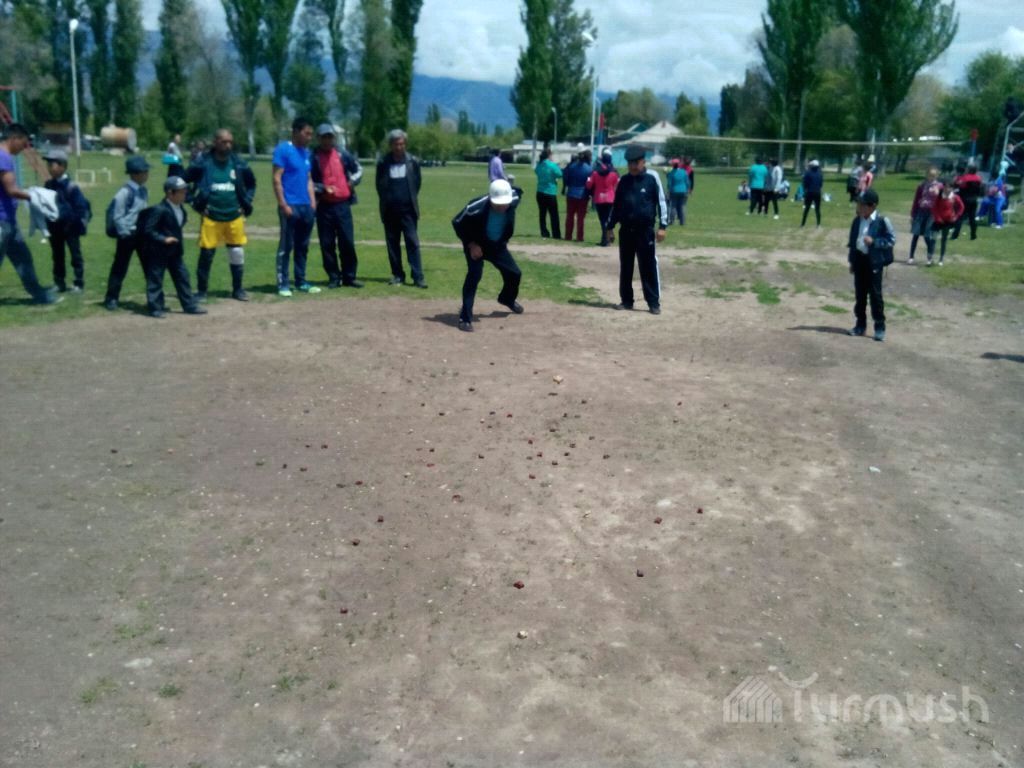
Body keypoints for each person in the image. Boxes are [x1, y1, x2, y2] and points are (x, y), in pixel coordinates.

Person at [185, 128, 256, 302]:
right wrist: (194, 203)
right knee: (207, 255)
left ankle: (238, 290)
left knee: (236, 252)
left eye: (230, 142)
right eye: (224, 142)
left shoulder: (238, 163)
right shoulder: (203, 162)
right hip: (211, 216)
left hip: (234, 216)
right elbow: (183, 182)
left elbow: (252, 184)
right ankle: (202, 291)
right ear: (215, 142)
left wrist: (245, 203)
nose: (228, 145)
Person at [451, 178, 525, 333]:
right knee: (474, 275)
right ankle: (465, 318)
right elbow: (457, 222)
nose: (502, 207)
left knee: (514, 273)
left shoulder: (514, 198)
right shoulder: (475, 207)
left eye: (505, 203)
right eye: (498, 204)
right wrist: (471, 244)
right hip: (476, 244)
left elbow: (518, 190)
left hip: (497, 245)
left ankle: (507, 299)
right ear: (490, 198)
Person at [0, 124, 60, 304]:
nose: (23, 148)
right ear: (14, 139)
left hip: (9, 220)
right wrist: (35, 196)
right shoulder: (3, 158)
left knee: (23, 258)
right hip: (2, 220)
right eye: (23, 143)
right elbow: (11, 190)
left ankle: (39, 294)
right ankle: (40, 295)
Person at [606, 145, 667, 315]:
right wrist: (610, 227)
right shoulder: (624, 181)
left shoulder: (652, 178)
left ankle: (653, 302)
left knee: (647, 266)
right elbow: (617, 206)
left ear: (643, 162)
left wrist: (663, 226)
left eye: (635, 163)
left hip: (645, 231)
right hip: (626, 230)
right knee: (626, 266)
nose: (632, 166)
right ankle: (626, 300)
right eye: (630, 163)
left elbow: (662, 202)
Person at [140, 176, 206, 317]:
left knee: (183, 277)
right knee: (156, 279)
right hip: (158, 251)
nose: (185, 194)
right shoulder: (159, 209)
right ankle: (155, 307)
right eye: (181, 191)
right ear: (170, 193)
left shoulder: (181, 209)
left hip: (175, 251)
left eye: (185, 191)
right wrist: (164, 239)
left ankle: (189, 305)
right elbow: (149, 230)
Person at [311, 124, 363, 288]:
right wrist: (322, 188)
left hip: (343, 205)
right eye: (324, 137)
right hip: (324, 206)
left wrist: (352, 181)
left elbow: (358, 169)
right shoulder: (313, 157)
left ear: (334, 138)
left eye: (330, 137)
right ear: (318, 138)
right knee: (327, 244)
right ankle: (334, 277)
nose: (327, 140)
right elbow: (307, 181)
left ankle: (349, 276)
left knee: (347, 241)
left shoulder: (343, 154)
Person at [272, 117, 320, 296]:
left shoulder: (306, 153)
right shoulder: (283, 150)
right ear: (296, 132)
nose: (309, 137)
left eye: (311, 134)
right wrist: (283, 204)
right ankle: (283, 283)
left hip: (306, 206)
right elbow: (276, 178)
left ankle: (301, 281)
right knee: (286, 246)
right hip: (290, 205)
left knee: (302, 246)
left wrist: (312, 202)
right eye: (307, 133)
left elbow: (308, 179)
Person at [376, 128, 426, 288]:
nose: (399, 147)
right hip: (390, 211)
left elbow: (417, 183)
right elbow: (379, 185)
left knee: (413, 243)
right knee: (393, 245)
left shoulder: (413, 162)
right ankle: (398, 275)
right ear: (391, 145)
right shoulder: (383, 163)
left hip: (408, 211)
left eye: (402, 144)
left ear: (405, 144)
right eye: (396, 144)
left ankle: (418, 277)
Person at [847, 188, 895, 342]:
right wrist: (852, 261)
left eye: (862, 205)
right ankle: (860, 325)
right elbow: (852, 243)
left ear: (872, 206)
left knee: (875, 295)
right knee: (860, 295)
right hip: (860, 260)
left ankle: (879, 327)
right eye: (859, 204)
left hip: (874, 262)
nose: (859, 207)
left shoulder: (882, 221)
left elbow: (891, 240)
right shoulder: (857, 221)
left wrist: (875, 242)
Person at [104, 156, 151, 310]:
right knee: (120, 266)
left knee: (149, 266)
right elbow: (117, 217)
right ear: (135, 174)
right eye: (144, 171)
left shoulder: (143, 190)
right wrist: (125, 233)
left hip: (141, 233)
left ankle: (154, 298)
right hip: (128, 234)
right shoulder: (124, 193)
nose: (147, 174)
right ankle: (111, 298)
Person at [43, 149, 90, 293]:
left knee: (75, 255)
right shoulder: (48, 184)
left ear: (63, 166)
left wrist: (70, 220)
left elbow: (80, 208)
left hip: (71, 228)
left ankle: (78, 283)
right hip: (54, 227)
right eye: (48, 164)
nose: (49, 168)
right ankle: (59, 282)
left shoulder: (71, 187)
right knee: (57, 255)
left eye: (52, 164)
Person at [908, 167, 941, 264]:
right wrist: (913, 213)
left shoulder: (939, 186)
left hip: (932, 213)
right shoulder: (922, 185)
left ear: (936, 176)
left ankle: (930, 256)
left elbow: (941, 200)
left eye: (933, 175)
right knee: (916, 234)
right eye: (930, 175)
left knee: (928, 235)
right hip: (921, 210)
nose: (931, 177)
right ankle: (911, 256)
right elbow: (916, 200)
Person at [587, 150, 618, 246]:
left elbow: (589, 184)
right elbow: (617, 185)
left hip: (599, 198)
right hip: (610, 198)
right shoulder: (614, 172)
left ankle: (605, 239)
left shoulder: (595, 172)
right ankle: (607, 237)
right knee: (608, 219)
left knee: (603, 220)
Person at [930, 182, 964, 266]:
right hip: (938, 221)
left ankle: (941, 259)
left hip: (948, 222)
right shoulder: (939, 197)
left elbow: (961, 207)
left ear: (952, 188)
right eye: (945, 187)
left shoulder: (955, 197)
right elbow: (934, 208)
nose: (947, 189)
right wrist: (937, 217)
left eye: (949, 187)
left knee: (944, 240)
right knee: (933, 239)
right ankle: (930, 257)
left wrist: (956, 216)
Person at [563, 149, 592, 242]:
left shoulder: (571, 167)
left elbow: (566, 179)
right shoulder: (589, 169)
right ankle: (579, 237)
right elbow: (589, 182)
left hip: (571, 194)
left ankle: (568, 236)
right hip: (583, 195)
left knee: (569, 216)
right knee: (581, 218)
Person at [534, 148, 562, 238]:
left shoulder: (539, 165)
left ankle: (544, 232)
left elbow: (536, 171)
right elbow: (560, 174)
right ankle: (556, 234)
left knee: (542, 214)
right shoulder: (552, 165)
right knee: (554, 214)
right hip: (550, 192)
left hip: (540, 191)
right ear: (549, 155)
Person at [952, 163, 983, 241]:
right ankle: (973, 235)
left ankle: (955, 236)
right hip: (974, 200)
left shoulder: (965, 178)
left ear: (969, 170)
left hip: (964, 200)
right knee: (972, 218)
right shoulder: (978, 178)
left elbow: (957, 185)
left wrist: (956, 180)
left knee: (960, 217)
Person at [666, 158, 690, 226]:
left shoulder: (671, 173)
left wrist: (668, 191)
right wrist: (687, 189)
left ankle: (672, 221)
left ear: (672, 165)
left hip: (674, 191)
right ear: (679, 164)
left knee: (673, 206)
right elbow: (687, 182)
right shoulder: (684, 172)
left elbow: (669, 184)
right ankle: (682, 222)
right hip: (683, 191)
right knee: (682, 206)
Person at [800, 160, 823, 227]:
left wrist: (805, 190)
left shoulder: (808, 173)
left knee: (807, 209)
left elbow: (805, 183)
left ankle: (803, 224)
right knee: (817, 209)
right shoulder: (820, 174)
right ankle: (818, 224)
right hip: (817, 192)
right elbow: (821, 184)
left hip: (810, 192)